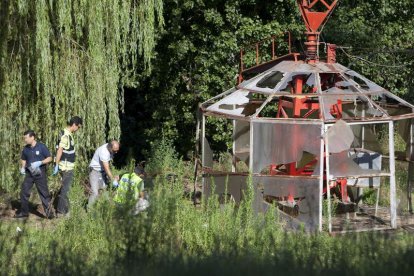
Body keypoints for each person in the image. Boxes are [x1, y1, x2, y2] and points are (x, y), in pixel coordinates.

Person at [15, 130, 54, 219]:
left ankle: (49, 214)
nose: (25, 139)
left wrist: (40, 162)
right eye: (24, 138)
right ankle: (24, 212)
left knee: (44, 194)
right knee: (24, 192)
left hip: (40, 173)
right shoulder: (26, 148)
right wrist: (22, 167)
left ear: (32, 137)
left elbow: (50, 158)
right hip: (29, 173)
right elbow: (23, 159)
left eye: (26, 138)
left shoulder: (41, 147)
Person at [52, 116, 83, 217]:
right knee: (65, 190)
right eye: (78, 127)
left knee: (64, 189)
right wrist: (56, 164)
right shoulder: (66, 135)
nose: (78, 129)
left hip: (66, 166)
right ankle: (61, 212)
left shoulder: (66, 133)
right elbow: (60, 150)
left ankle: (64, 210)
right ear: (74, 125)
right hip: (66, 168)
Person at [88, 140, 120, 208]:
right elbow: (106, 168)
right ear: (110, 148)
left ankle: (103, 208)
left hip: (102, 172)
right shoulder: (104, 152)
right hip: (95, 172)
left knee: (105, 191)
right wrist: (113, 180)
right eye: (114, 151)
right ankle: (89, 210)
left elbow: (108, 165)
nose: (116, 152)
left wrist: (114, 176)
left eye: (117, 150)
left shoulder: (110, 149)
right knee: (95, 193)